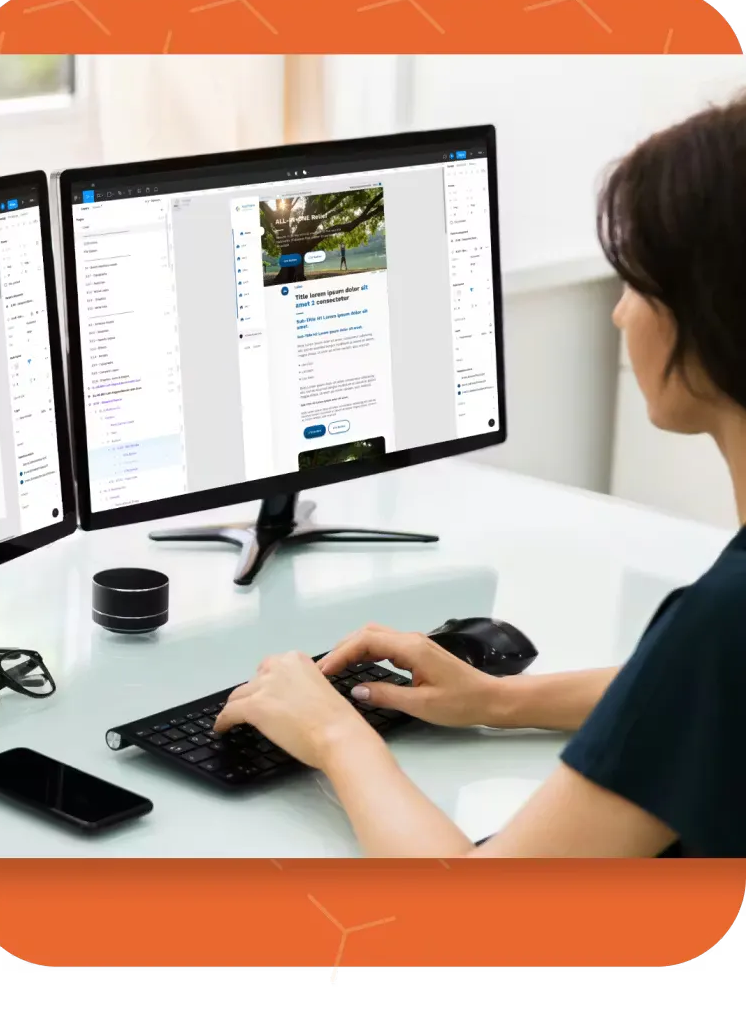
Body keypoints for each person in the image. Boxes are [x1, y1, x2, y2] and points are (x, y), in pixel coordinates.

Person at [216, 93, 746, 858]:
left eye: (636, 284)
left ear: (712, 316)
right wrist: (498, 701)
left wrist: (335, 734)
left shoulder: (722, 621)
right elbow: (700, 704)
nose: (620, 316)